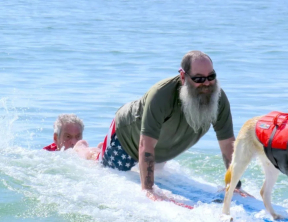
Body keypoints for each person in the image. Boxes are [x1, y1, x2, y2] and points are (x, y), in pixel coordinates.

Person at [97, 50, 239, 199]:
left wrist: (235, 184)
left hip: (161, 145)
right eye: (199, 79)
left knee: (158, 174)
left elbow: (227, 142)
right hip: (127, 137)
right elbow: (146, 144)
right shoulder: (161, 94)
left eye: (211, 77)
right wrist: (148, 190)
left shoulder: (218, 98)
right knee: (105, 170)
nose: (207, 83)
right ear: (183, 77)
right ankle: (87, 151)